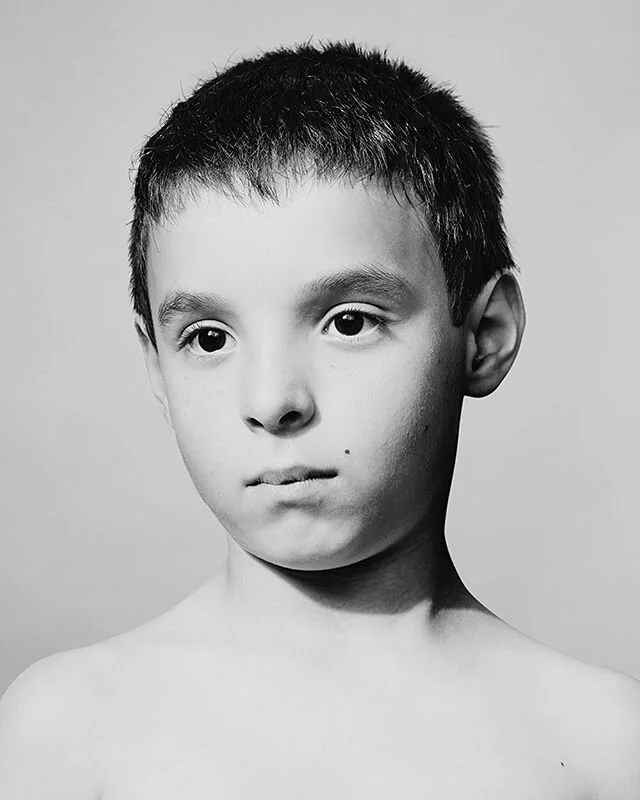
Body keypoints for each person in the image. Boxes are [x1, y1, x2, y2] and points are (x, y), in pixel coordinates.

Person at [0, 40, 638, 799]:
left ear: (487, 336)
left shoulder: (604, 747)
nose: (273, 401)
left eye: (349, 322)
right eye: (208, 339)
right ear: (156, 370)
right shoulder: (64, 732)